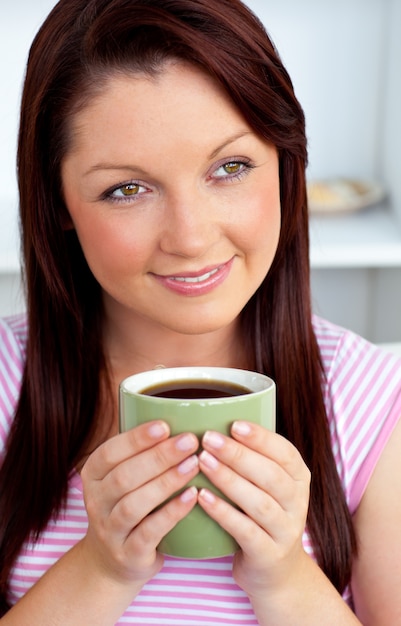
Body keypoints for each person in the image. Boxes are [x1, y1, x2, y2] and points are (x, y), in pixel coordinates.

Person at [0, 0, 400, 623]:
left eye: (230, 167)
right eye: (126, 189)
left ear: (287, 168)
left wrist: (287, 576)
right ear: (60, 208)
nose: (189, 237)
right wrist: (102, 568)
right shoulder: (5, 383)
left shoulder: (371, 402)